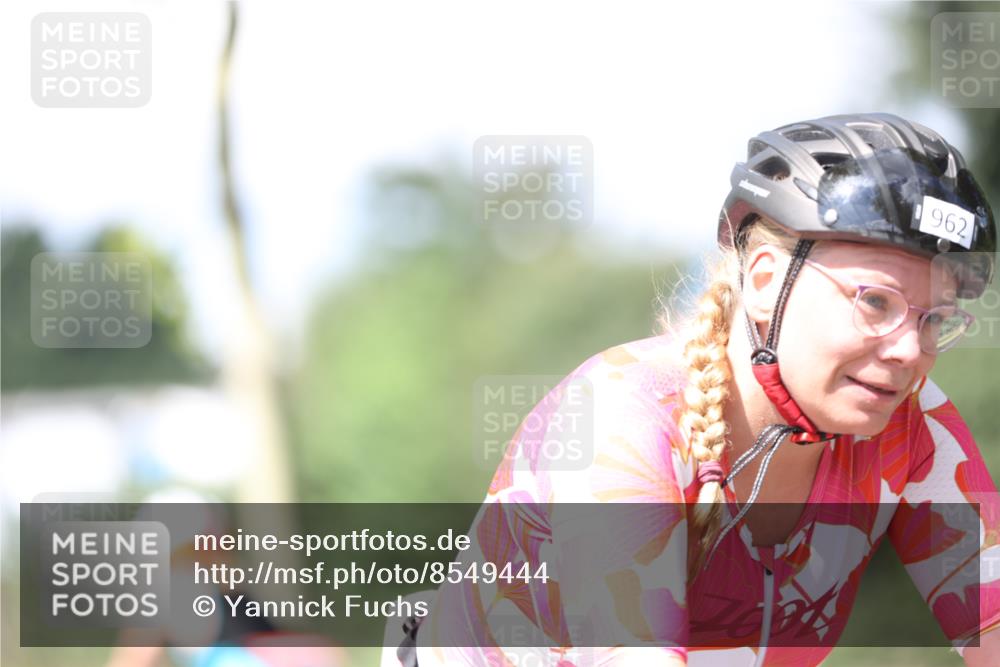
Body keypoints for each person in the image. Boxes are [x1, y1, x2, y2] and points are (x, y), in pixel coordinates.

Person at [382, 112, 1000, 666]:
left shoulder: (912, 427)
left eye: (934, 319)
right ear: (766, 282)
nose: (910, 350)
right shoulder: (615, 418)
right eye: (876, 302)